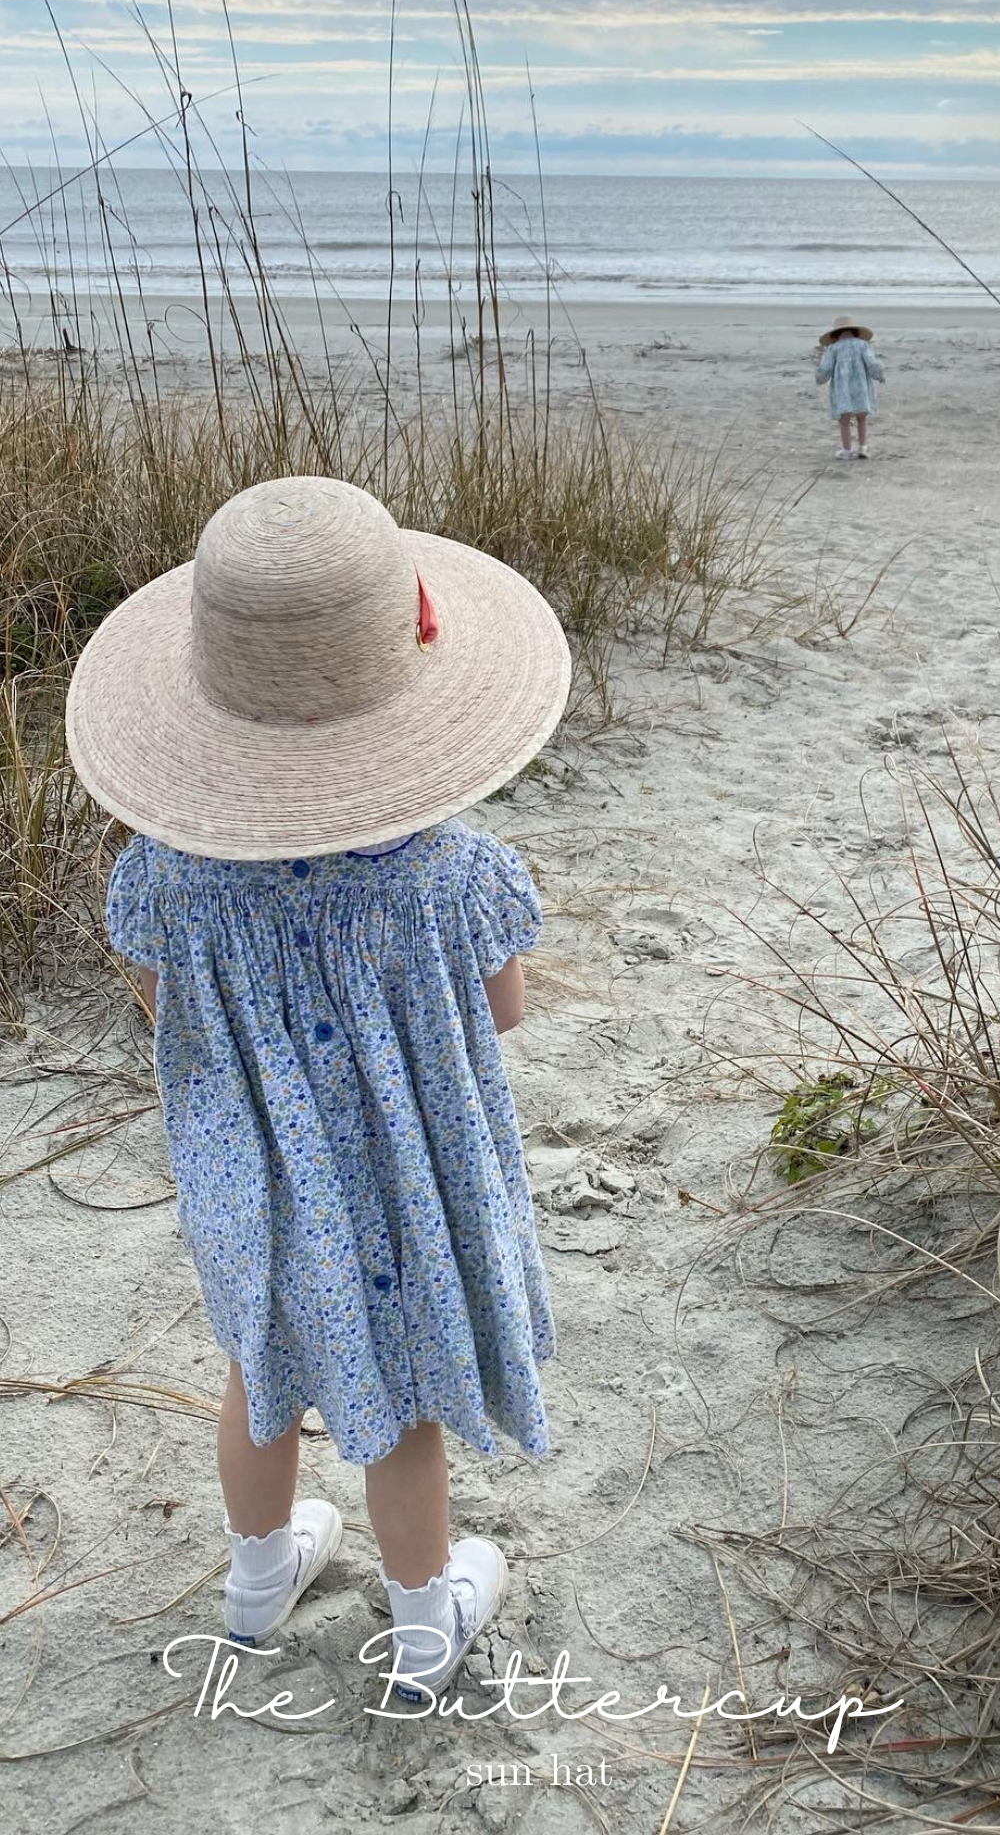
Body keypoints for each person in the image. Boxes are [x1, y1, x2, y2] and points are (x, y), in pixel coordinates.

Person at [64, 474, 571, 1704]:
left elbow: (161, 1010)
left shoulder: (162, 879)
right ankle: (421, 1621)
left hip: (253, 1182)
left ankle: (254, 1583)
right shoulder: (459, 874)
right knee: (400, 1396)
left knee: (265, 1367)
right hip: (411, 1173)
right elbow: (499, 1013)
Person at [815, 316, 885, 460]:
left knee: (844, 421)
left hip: (843, 390)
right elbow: (872, 363)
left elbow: (825, 368)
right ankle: (863, 447)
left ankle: (847, 450)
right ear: (855, 332)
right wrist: (879, 375)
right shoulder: (863, 345)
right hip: (861, 388)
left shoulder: (833, 348)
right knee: (862, 419)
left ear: (835, 335)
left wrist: (819, 379)